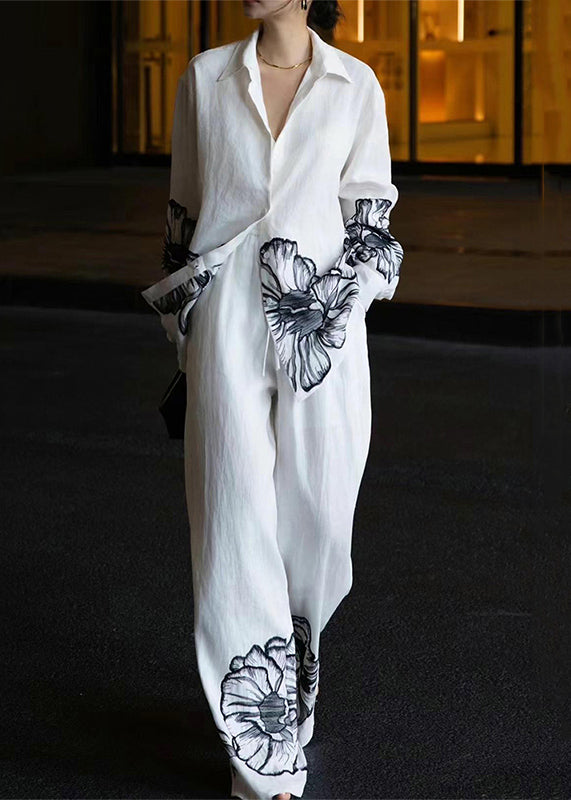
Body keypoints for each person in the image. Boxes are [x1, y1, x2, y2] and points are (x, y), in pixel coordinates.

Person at [141, 1, 404, 797]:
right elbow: (185, 211)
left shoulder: (355, 84)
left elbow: (371, 219)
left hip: (321, 325)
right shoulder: (204, 78)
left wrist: (343, 303)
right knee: (231, 522)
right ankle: (263, 761)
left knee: (320, 523)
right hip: (226, 319)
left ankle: (292, 678)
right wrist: (188, 328)